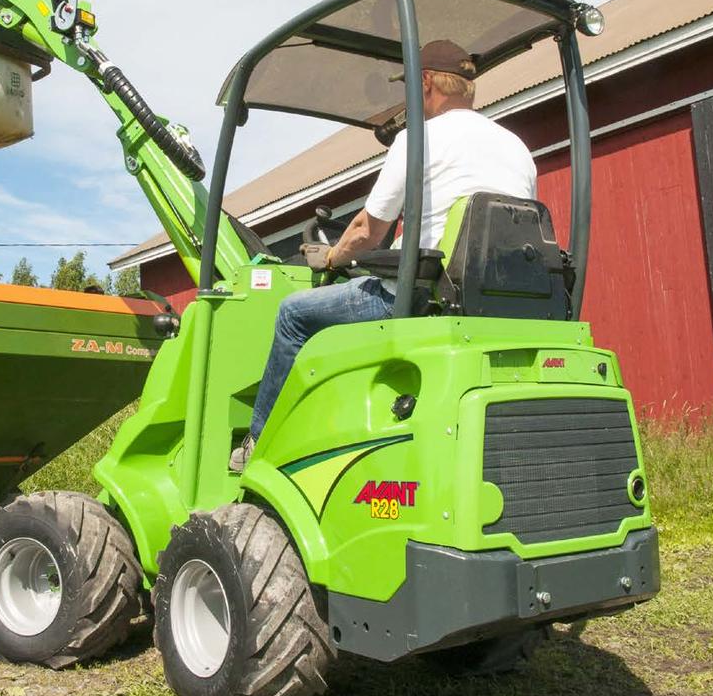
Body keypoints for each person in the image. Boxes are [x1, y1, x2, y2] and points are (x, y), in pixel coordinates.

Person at [230, 39, 537, 470]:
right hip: (494, 305)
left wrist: (333, 258)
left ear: (426, 82)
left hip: (419, 297)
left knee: (293, 314)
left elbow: (365, 232)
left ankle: (257, 446)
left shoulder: (418, 140)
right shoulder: (517, 149)